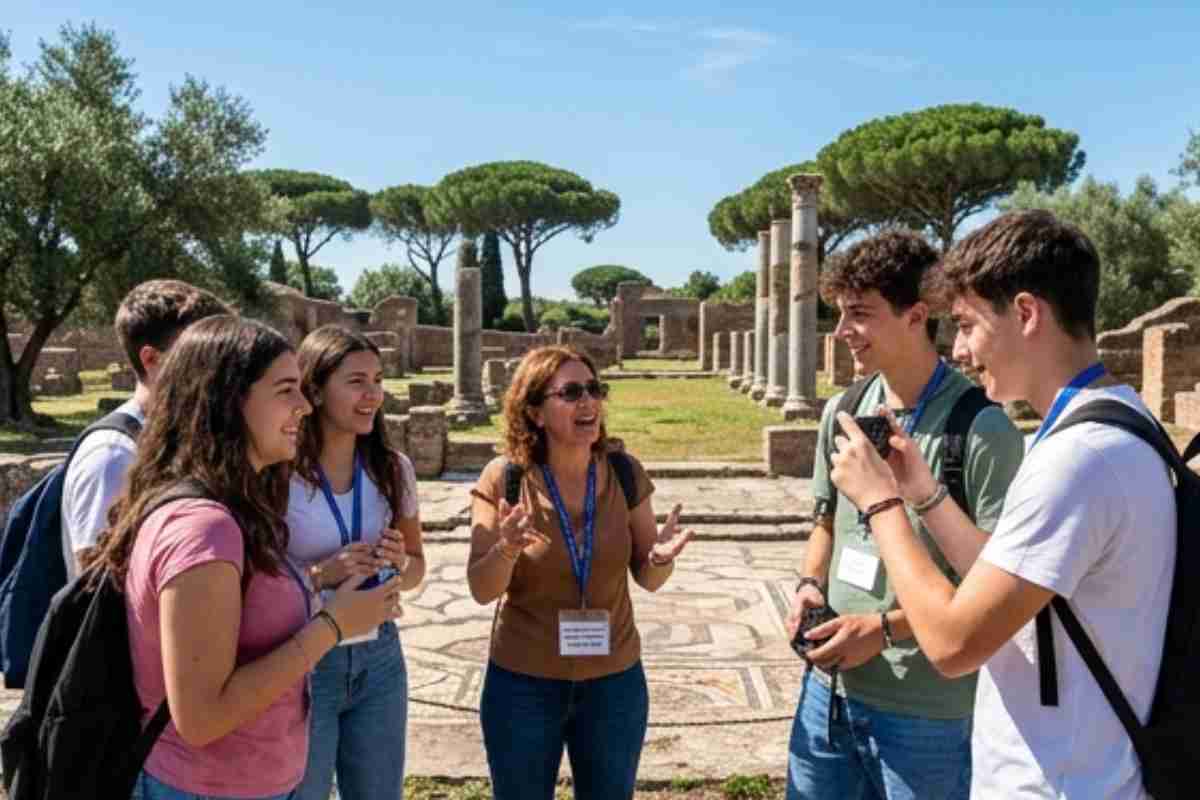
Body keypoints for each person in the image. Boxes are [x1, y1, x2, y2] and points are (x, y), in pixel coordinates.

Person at [828, 210, 1175, 798]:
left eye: (966, 325)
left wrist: (883, 504)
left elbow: (953, 644)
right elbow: (1004, 578)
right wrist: (924, 493)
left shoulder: (1078, 459)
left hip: (1062, 782)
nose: (959, 350)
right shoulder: (1116, 421)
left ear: (1025, 313)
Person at [87, 315, 402, 800]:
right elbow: (202, 716)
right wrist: (334, 626)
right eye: (286, 390)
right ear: (230, 399)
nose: (303, 405)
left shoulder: (239, 505)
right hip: (207, 787)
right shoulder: (204, 527)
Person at [785, 229, 1026, 800]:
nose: (842, 332)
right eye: (840, 314)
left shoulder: (982, 429)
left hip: (929, 712)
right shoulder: (842, 411)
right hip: (829, 690)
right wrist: (808, 585)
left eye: (859, 315)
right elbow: (826, 521)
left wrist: (884, 628)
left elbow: (997, 589)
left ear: (917, 316)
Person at [466, 345, 694, 800]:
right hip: (523, 685)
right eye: (570, 392)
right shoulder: (504, 478)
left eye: (594, 389)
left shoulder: (625, 473)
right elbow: (482, 588)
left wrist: (660, 561)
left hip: (614, 686)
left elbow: (647, 579)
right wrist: (508, 547)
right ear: (534, 411)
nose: (588, 402)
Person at [287, 325, 425, 800]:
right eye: (356, 381)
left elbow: (417, 567)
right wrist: (322, 575)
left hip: (380, 657)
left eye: (379, 380)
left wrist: (399, 564)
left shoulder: (394, 468)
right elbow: (253, 583)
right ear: (317, 390)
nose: (373, 395)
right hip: (305, 657)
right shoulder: (277, 474)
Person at [61, 280, 230, 580]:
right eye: (202, 356)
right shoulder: (113, 456)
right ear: (152, 360)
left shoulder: (184, 437)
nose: (220, 371)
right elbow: (94, 591)